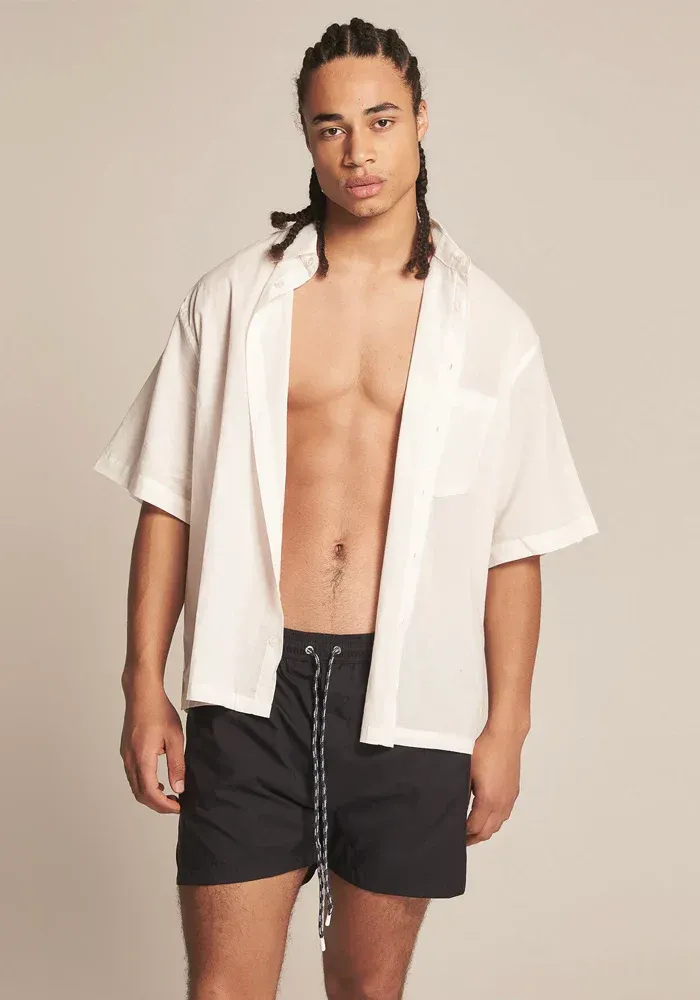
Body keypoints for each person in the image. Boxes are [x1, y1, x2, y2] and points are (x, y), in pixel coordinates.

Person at [92, 17, 599, 1000]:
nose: (357, 150)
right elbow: (169, 501)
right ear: (306, 136)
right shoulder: (230, 302)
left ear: (420, 121)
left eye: (379, 120)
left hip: (409, 694)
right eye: (331, 127)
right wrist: (142, 681)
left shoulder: (493, 329)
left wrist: (508, 727)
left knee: (367, 992)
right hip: (251, 682)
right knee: (224, 991)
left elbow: (513, 545)